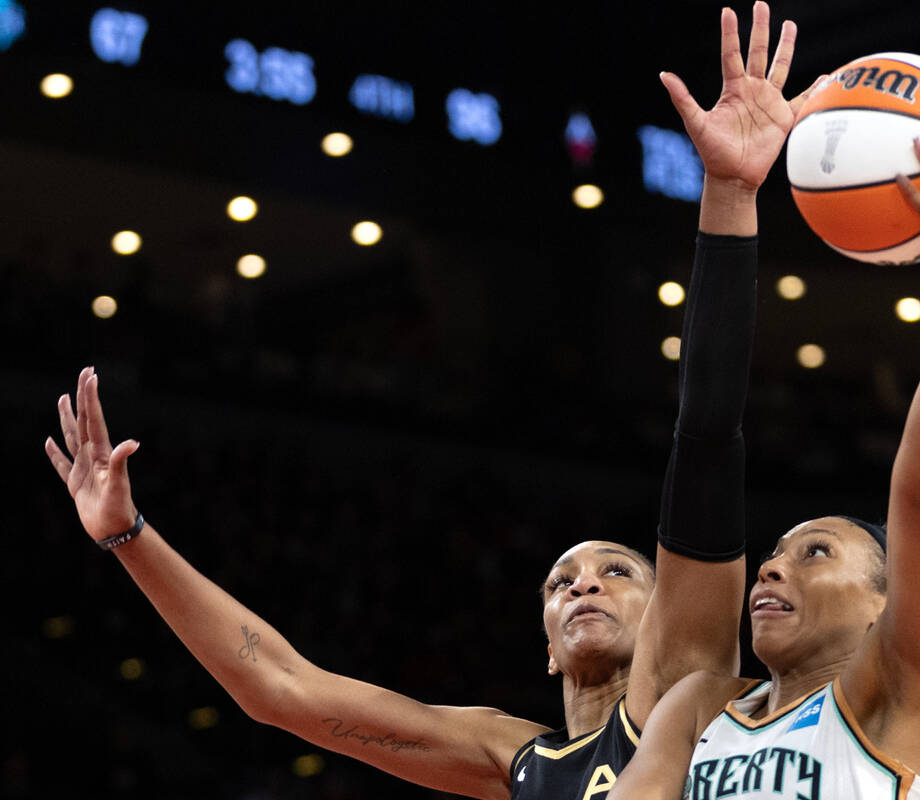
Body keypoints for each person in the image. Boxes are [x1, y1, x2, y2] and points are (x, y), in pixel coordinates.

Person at [44, 4, 815, 798]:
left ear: (667, 616)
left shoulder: (679, 689)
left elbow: (709, 435)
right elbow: (282, 690)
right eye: (561, 582)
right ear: (546, 648)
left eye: (616, 571)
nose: (582, 584)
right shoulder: (507, 755)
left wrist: (727, 192)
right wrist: (126, 535)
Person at [608, 104, 920, 798]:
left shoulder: (902, 694)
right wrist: (730, 192)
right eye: (777, 553)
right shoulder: (700, 708)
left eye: (815, 552)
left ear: (882, 607)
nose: (768, 569)